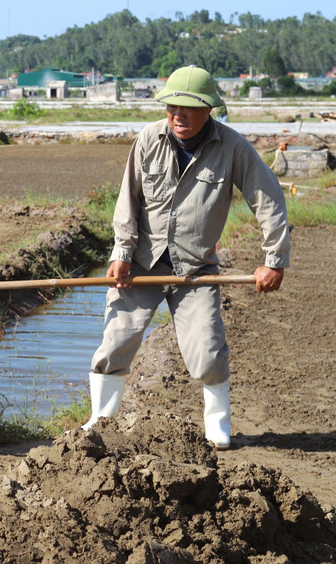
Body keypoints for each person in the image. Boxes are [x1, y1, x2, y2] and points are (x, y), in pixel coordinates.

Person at [81, 65, 289, 449]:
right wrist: (122, 252)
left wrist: (274, 260)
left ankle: (217, 425)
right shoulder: (148, 139)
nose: (179, 115)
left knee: (207, 350)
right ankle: (101, 422)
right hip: (142, 264)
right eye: (173, 107)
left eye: (189, 108)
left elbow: (268, 199)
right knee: (116, 340)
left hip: (195, 269)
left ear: (209, 109)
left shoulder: (232, 147)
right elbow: (128, 199)